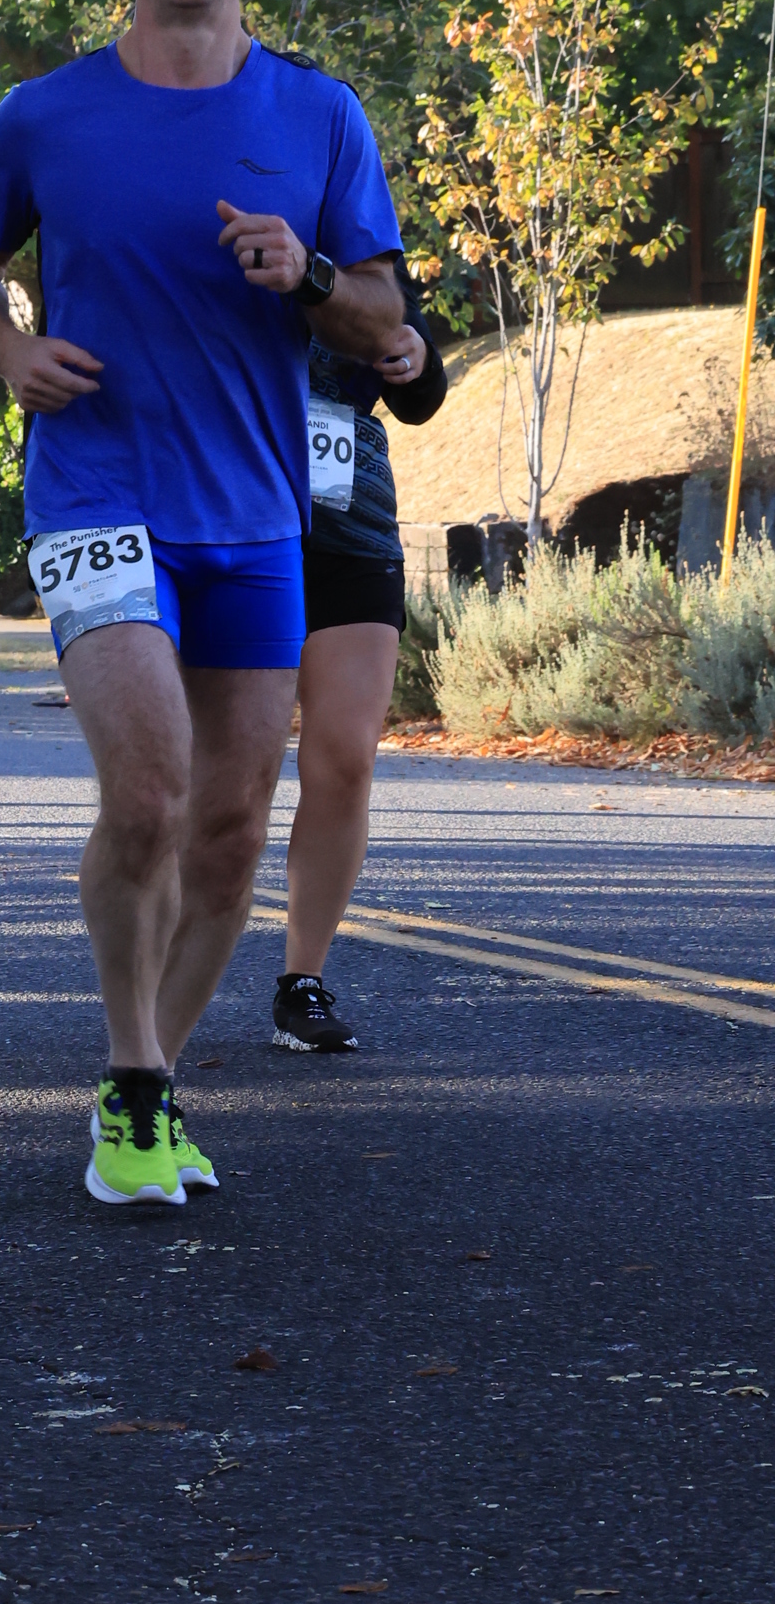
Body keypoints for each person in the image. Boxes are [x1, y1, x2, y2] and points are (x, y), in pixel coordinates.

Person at [0, 0, 406, 1209]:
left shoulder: (319, 114)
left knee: (232, 826)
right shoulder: (44, 115)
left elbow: (384, 319)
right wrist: (9, 352)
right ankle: (133, 1075)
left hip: (254, 512)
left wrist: (305, 273)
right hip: (96, 487)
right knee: (147, 795)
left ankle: (148, 1092)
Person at [274, 273, 449, 1052]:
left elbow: (418, 392)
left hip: (352, 527)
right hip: (227, 521)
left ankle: (301, 982)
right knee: (223, 771)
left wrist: (414, 353)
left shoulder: (358, 241)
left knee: (345, 760)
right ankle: (160, 974)